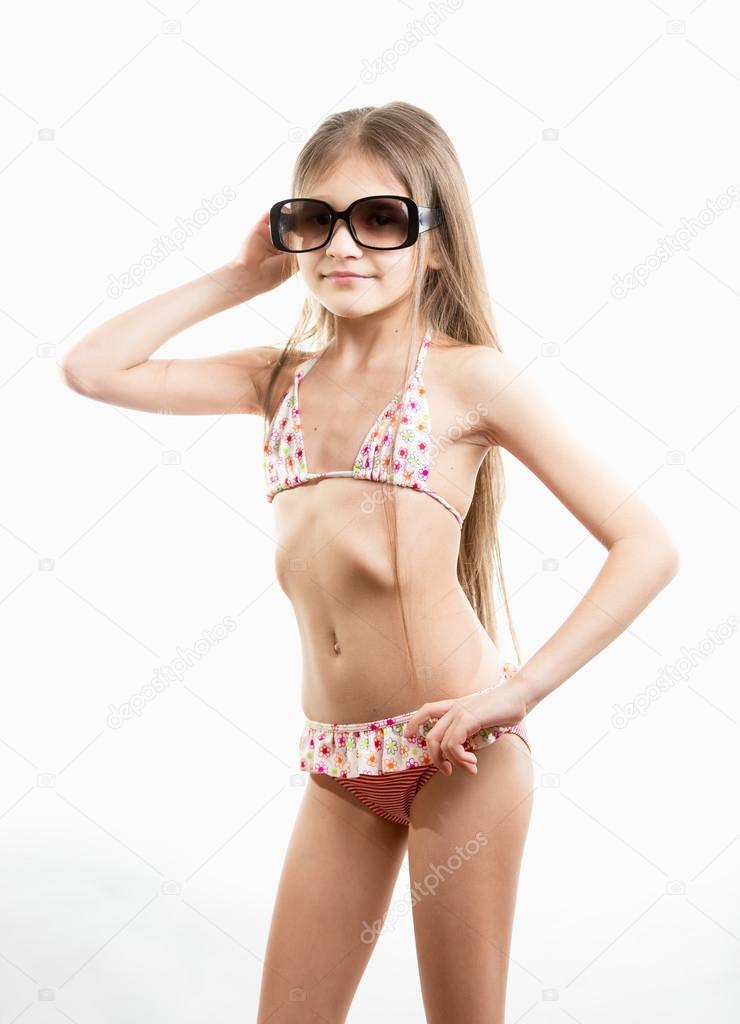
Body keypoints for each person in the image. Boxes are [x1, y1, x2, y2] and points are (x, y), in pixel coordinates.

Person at [60, 101, 679, 1024]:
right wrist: (239, 277)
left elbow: (648, 547)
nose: (344, 246)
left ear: (435, 242)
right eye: (315, 219)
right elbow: (92, 368)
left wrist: (520, 690)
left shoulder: (471, 380)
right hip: (336, 764)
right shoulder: (274, 381)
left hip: (457, 757)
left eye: (381, 219)